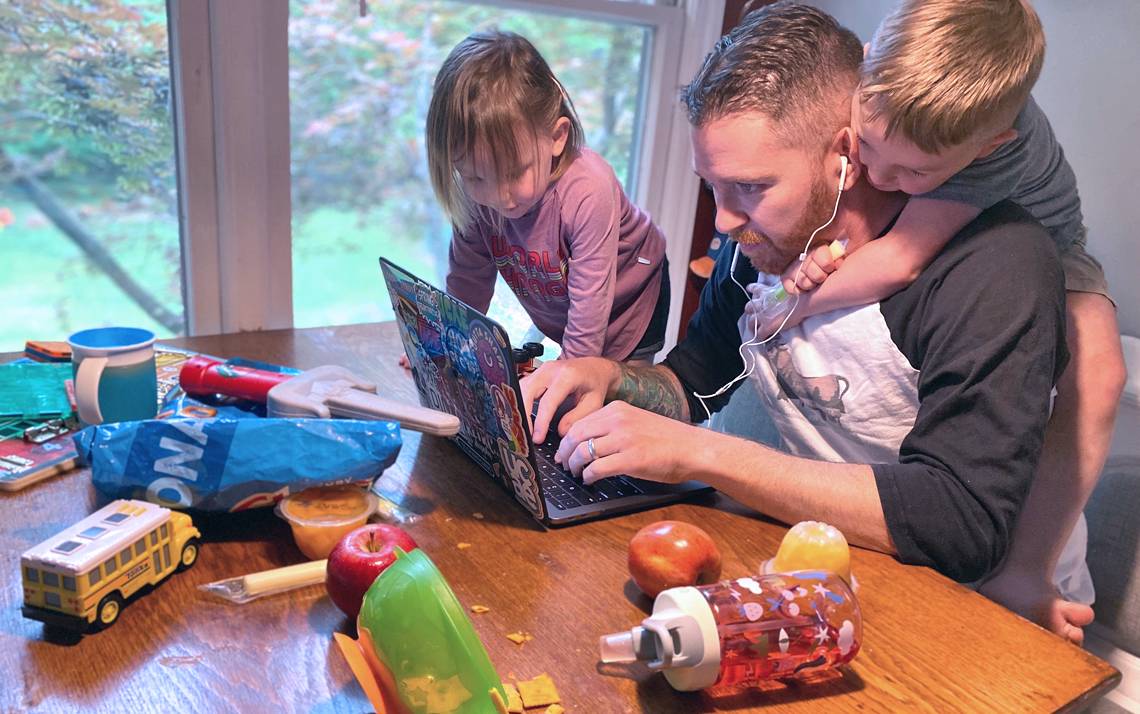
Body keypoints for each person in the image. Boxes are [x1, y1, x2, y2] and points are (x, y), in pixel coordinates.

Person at [521, 2, 1070, 597]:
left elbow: (960, 523)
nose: (725, 219)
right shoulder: (760, 242)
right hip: (831, 578)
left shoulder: (995, 264)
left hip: (990, 616)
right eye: (712, 185)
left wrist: (702, 455)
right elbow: (698, 381)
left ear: (845, 159)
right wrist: (605, 377)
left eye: (752, 187)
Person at [756, 0, 1126, 644]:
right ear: (865, 76)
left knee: (1100, 372)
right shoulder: (899, 98)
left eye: (913, 172)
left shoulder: (990, 159)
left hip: (1052, 243)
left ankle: (1028, 569)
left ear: (990, 146)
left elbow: (900, 261)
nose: (880, 176)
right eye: (868, 145)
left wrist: (792, 300)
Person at [424, 30, 669, 363]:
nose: (500, 197)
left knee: (619, 403)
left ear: (557, 137)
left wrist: (570, 376)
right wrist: (443, 345)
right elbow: (468, 281)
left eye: (514, 173)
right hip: (565, 304)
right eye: (474, 176)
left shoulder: (588, 190)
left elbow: (588, 311)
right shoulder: (477, 199)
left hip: (631, 297)